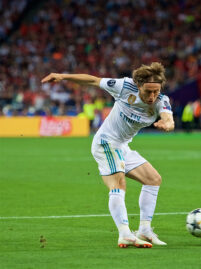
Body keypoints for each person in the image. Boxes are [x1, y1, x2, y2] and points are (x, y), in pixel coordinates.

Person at [41, 62, 174, 248]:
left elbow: (168, 118)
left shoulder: (161, 101)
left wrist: (167, 124)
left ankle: (144, 229)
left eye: (156, 91)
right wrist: (63, 76)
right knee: (119, 183)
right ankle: (125, 233)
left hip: (122, 146)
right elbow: (93, 81)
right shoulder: (124, 86)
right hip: (106, 142)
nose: (152, 96)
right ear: (138, 85)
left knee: (153, 179)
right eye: (148, 91)